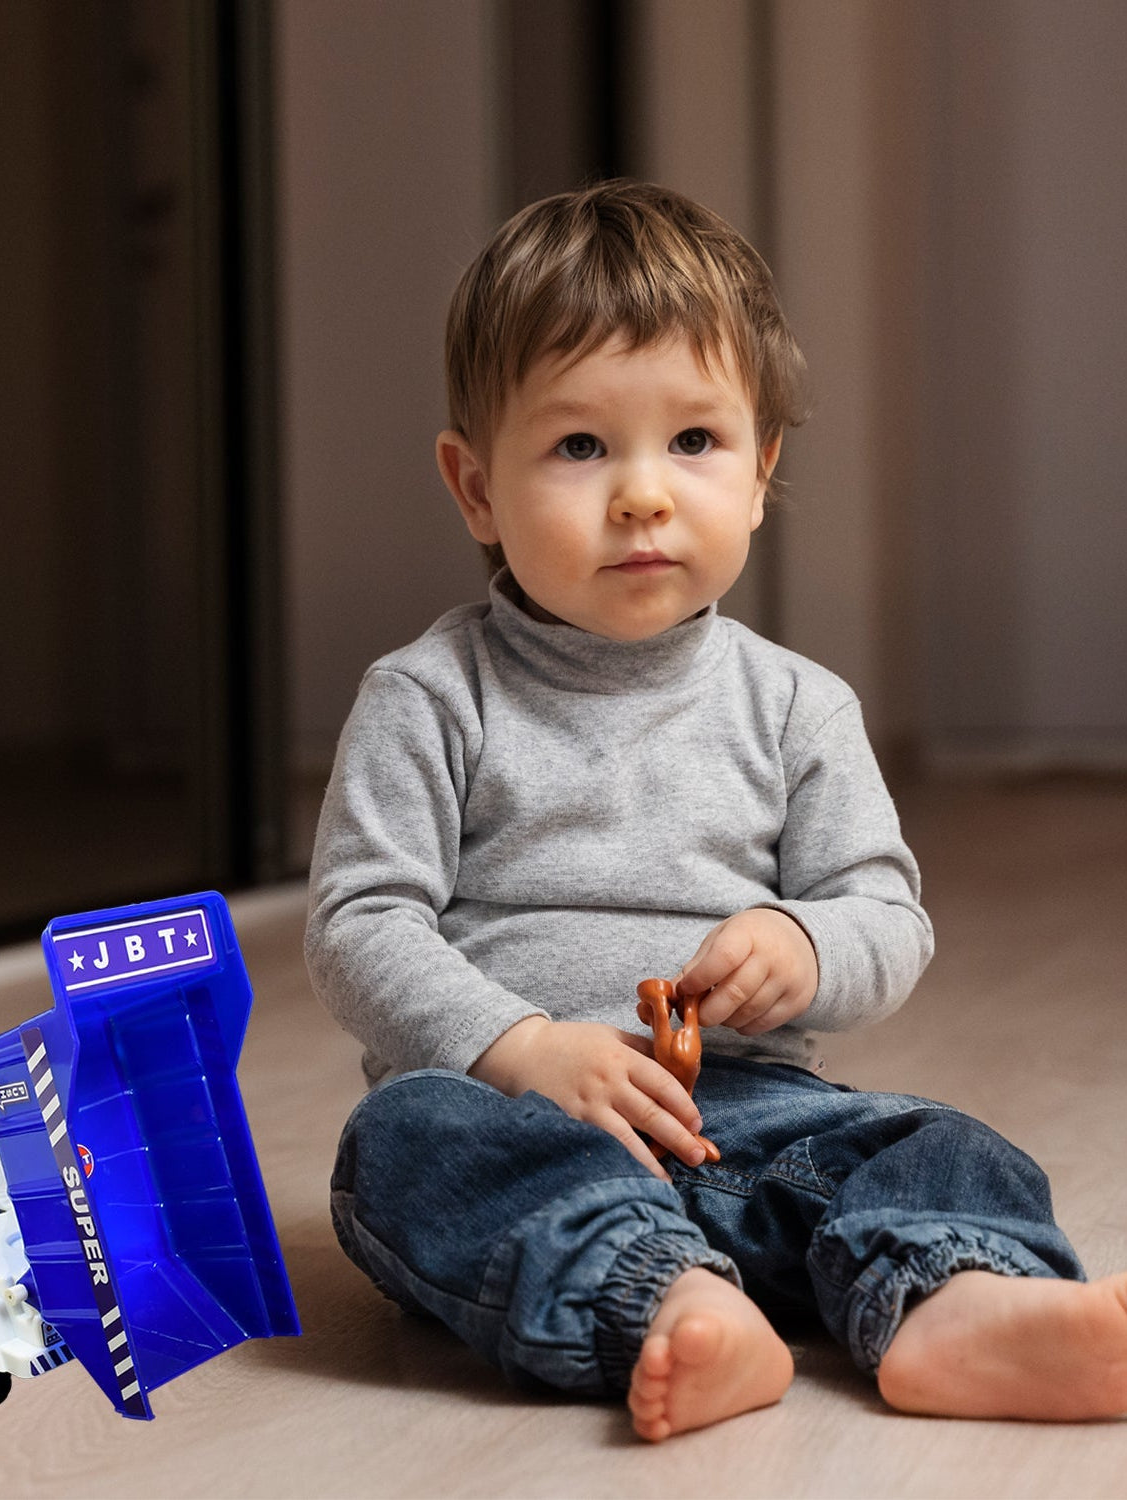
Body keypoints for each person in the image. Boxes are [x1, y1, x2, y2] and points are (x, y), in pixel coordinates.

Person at [305, 180, 1127, 1441]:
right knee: (400, 1143)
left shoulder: (796, 706)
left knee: (928, 1141)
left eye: (692, 442)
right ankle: (673, 1302)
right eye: (579, 447)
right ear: (474, 489)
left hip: (751, 1115)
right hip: (523, 1118)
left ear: (758, 474)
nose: (642, 493)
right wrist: (520, 1048)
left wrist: (803, 946)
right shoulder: (430, 697)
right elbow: (361, 923)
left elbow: (882, 915)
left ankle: (954, 1308)